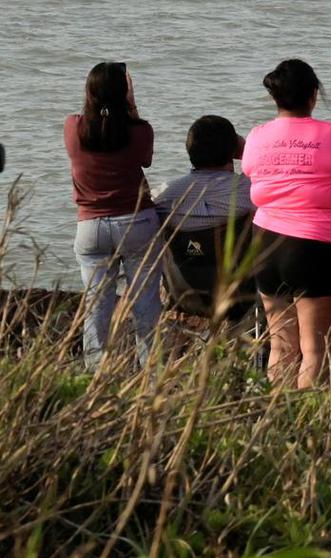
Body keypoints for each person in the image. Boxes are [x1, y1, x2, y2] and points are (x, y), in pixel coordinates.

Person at [242, 59, 331, 388]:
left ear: (275, 98)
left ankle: (276, 424)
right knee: (316, 351)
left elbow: (250, 173)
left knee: (280, 347)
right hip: (318, 248)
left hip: (266, 244)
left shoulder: (257, 136)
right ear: (313, 96)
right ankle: (307, 429)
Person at [63, 62, 161, 367]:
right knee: (146, 304)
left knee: (96, 308)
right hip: (137, 224)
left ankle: (94, 376)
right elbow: (144, 159)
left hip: (91, 226)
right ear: (125, 94)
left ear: (89, 92)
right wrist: (131, 105)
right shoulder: (140, 131)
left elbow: (100, 127)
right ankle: (151, 377)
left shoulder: (72, 127)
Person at [153, 115, 256, 318]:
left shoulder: (162, 198)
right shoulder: (249, 191)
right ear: (234, 151)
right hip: (238, 297)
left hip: (183, 294)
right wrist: (246, 151)